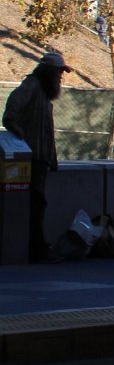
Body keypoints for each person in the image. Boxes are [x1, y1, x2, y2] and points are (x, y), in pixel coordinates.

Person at [3, 51, 70, 261]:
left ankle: (37, 247)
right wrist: (23, 140)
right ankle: (36, 249)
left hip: (40, 158)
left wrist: (52, 160)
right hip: (30, 159)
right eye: (58, 73)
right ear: (49, 72)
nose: (60, 78)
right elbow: (10, 116)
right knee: (35, 204)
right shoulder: (31, 86)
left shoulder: (42, 92)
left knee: (38, 204)